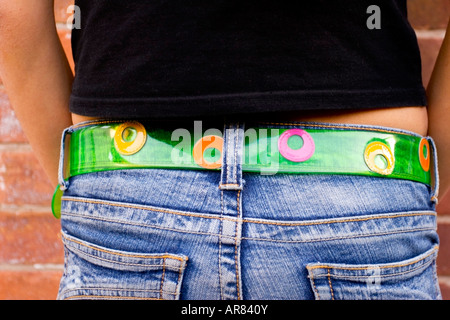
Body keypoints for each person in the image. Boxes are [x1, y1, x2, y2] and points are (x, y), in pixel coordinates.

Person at [0, 0, 448, 300]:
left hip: (131, 184)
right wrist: (413, 176)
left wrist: (89, 178)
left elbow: (13, 11)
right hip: (359, 186)